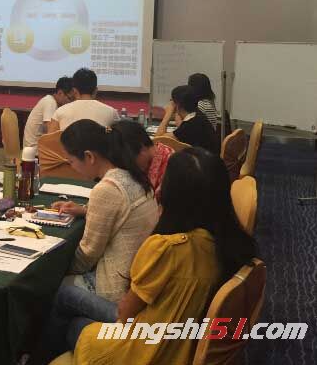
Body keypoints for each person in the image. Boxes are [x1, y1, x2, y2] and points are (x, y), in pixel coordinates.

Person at [67, 148, 257, 365]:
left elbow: (125, 313)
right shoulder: (229, 242)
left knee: (72, 316)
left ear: (170, 194)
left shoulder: (167, 248)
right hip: (183, 340)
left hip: (146, 351)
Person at [30, 120, 158, 364]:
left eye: (71, 161)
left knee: (54, 289)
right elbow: (122, 210)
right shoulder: (133, 175)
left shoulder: (107, 189)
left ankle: (39, 357)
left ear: (89, 156)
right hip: (135, 286)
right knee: (73, 321)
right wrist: (85, 210)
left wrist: (53, 269)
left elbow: (87, 255)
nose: (72, 167)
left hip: (117, 292)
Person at [114, 119, 174, 199]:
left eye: (129, 161)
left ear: (142, 148)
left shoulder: (171, 165)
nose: (127, 167)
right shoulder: (147, 160)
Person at [48, 69, 119, 133]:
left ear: (74, 91)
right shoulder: (111, 112)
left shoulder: (60, 112)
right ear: (95, 91)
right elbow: (115, 135)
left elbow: (49, 141)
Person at [156, 85, 218, 153]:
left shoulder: (191, 124)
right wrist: (177, 110)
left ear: (177, 104)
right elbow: (181, 127)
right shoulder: (197, 116)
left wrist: (168, 113)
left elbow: (158, 140)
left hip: (202, 159)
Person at [23, 77, 74, 154]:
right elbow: (50, 133)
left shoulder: (50, 101)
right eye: (70, 98)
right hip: (35, 152)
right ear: (60, 93)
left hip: (33, 149)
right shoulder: (50, 103)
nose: (71, 102)